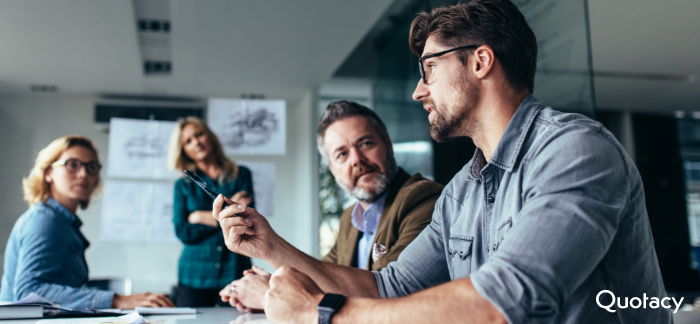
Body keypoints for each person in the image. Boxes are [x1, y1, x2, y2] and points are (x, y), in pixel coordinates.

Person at [213, 1, 672, 323]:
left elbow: (506, 306)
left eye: (430, 68)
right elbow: (386, 288)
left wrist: (322, 314)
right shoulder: (461, 192)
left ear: (481, 62)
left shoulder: (574, 151)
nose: (418, 91)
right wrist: (270, 247)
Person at [219, 101, 444, 311]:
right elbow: (322, 278)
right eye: (342, 154)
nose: (356, 159)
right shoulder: (350, 218)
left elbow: (386, 294)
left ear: (387, 143)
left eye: (365, 143)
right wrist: (273, 283)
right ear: (332, 168)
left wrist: (270, 294)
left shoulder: (424, 199)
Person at [0, 135, 173, 309]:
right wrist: (116, 300)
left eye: (91, 167)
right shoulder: (45, 220)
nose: (84, 174)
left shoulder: (65, 223)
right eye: (72, 165)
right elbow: (29, 292)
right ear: (48, 173)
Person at [168, 116, 254, 307]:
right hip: (194, 274)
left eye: (199, 135)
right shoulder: (183, 185)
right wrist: (226, 217)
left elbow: (246, 222)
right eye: (188, 141)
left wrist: (198, 217)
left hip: (234, 270)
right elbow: (183, 231)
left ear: (210, 137)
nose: (196, 142)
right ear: (183, 151)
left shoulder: (241, 175)